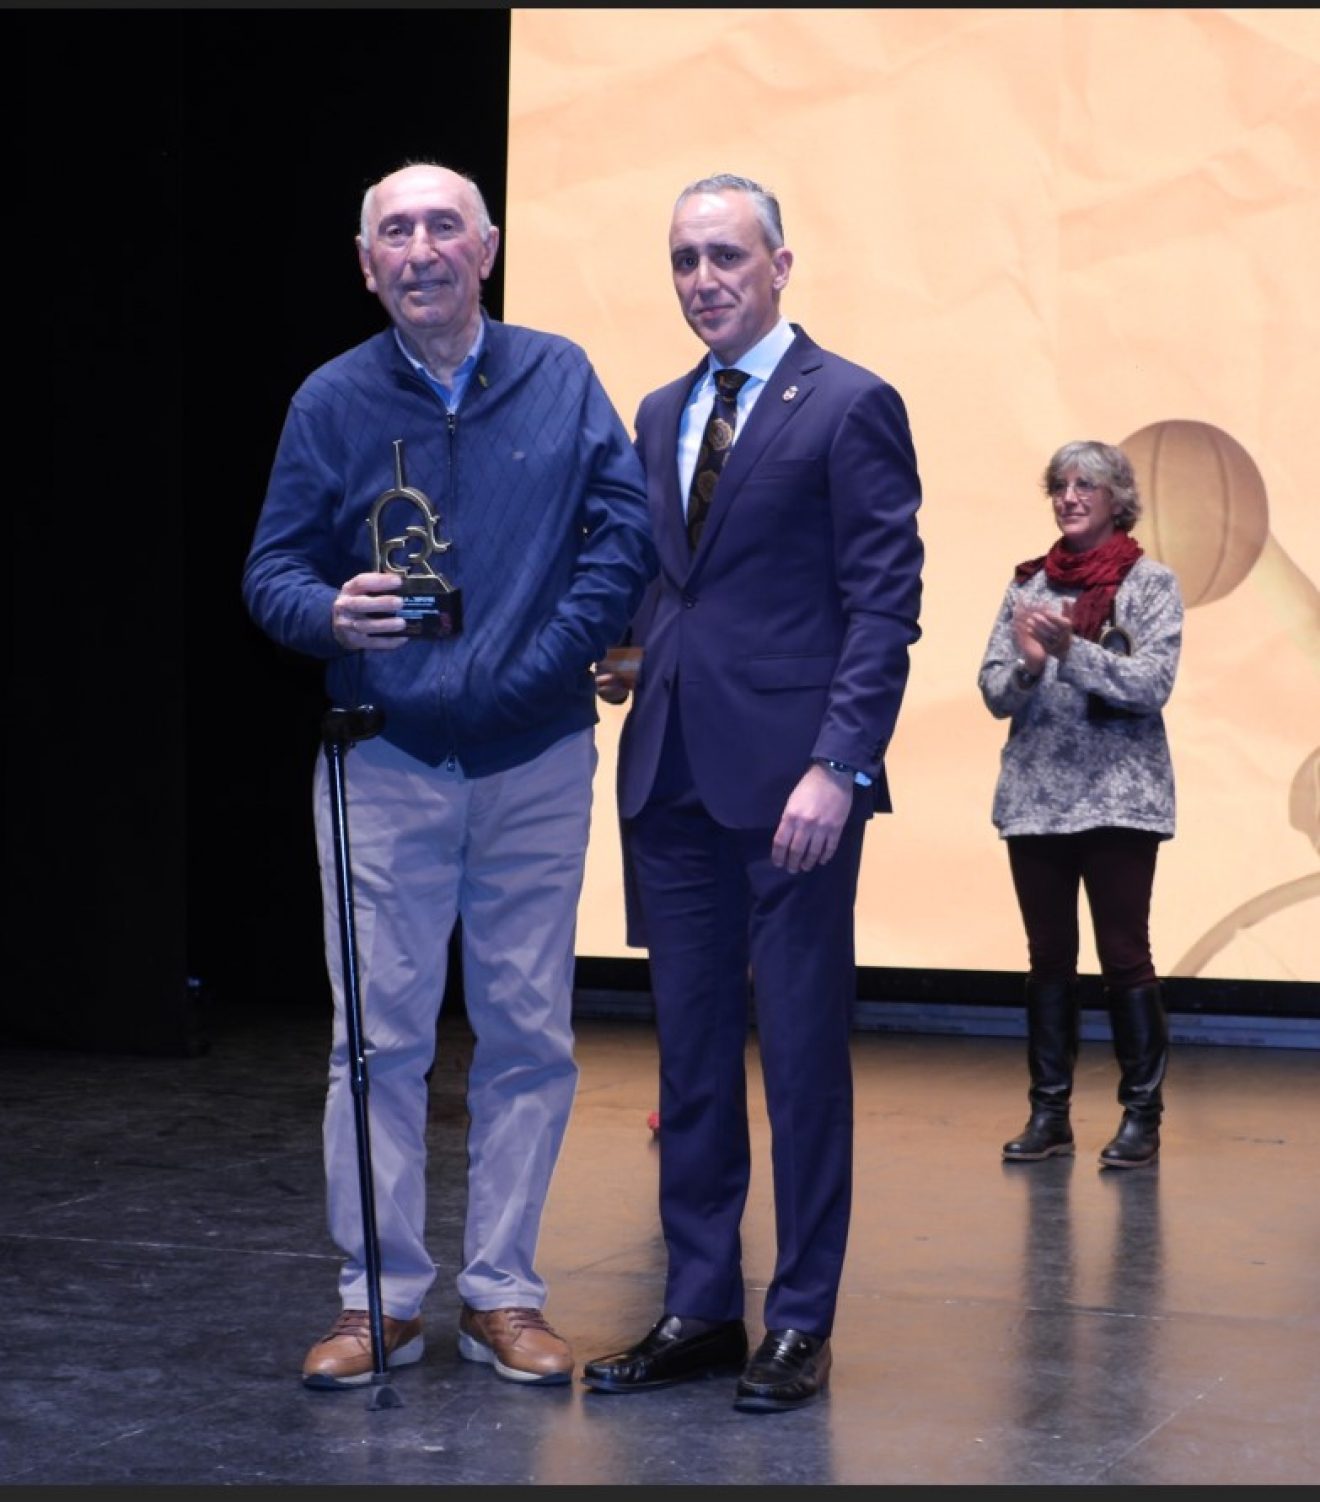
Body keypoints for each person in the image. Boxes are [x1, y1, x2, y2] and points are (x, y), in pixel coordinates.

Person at [242, 161, 655, 1391]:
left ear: (486, 249)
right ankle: (377, 1298)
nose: (420, 249)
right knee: (375, 1043)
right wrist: (330, 609)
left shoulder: (560, 373)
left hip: (536, 756)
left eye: (442, 228)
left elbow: (622, 532)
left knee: (530, 1030)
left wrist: (551, 653)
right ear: (367, 263)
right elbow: (270, 573)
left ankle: (504, 1294)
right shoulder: (330, 398)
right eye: (394, 233)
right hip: (385, 759)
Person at [584, 174, 924, 1413]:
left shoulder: (849, 404)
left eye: (726, 254)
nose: (702, 278)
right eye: (683, 258)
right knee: (686, 1062)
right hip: (670, 770)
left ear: (783, 263)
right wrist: (620, 649)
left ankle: (800, 1319)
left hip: (794, 791)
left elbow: (884, 605)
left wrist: (842, 765)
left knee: (799, 1060)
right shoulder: (660, 405)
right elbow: (668, 581)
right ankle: (699, 1307)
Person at [976, 439, 1183, 1170]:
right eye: (1059, 486)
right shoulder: (1029, 585)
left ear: (1117, 498)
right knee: (1048, 959)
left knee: (1125, 957)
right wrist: (1029, 668)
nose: (1069, 496)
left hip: (1120, 797)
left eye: (1084, 484)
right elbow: (995, 689)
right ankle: (1049, 1114)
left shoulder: (1151, 583)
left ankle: (1141, 1119)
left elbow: (1150, 685)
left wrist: (1071, 652)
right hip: (1036, 796)